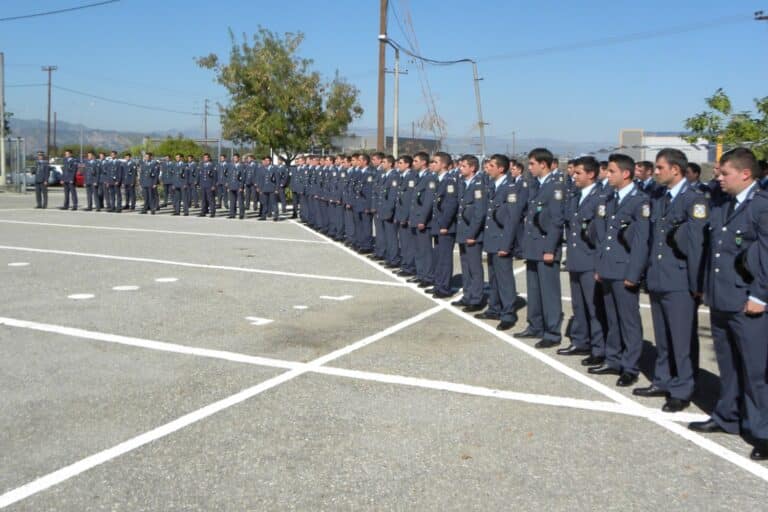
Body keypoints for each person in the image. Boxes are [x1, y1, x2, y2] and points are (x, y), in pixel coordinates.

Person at [689, 148, 768, 461]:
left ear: (745, 174)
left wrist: (760, 296)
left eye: (724, 173)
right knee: (728, 363)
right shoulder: (721, 203)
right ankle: (728, 415)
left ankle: (762, 431)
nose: (717, 178)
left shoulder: (761, 207)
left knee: (756, 369)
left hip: (748, 300)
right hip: (722, 297)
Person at [634, 148, 707, 412]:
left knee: (681, 339)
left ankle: (683, 388)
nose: (656, 172)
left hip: (680, 280)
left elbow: (697, 246)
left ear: (675, 170)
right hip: (658, 276)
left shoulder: (694, 200)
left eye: (660, 168)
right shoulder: (660, 197)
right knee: (663, 337)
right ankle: (663, 379)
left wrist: (697, 284)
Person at [589, 153, 650, 387]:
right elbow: (604, 238)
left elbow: (640, 243)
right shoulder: (610, 198)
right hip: (608, 269)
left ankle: (630, 366)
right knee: (612, 318)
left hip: (625, 271)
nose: (608, 174)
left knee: (629, 321)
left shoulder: (639, 201)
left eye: (612, 171)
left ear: (625, 173)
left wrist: (633, 275)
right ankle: (613, 359)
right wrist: (600, 267)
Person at [516, 148, 565, 348]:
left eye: (532, 164)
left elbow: (555, 221)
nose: (529, 168)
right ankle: (535, 325)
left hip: (545, 247)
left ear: (543, 164)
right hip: (533, 246)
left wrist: (550, 249)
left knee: (549, 292)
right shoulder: (537, 185)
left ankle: (552, 331)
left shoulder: (554, 187)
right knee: (534, 289)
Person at [558, 156, 605, 360]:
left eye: (578, 173)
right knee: (578, 305)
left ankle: (599, 348)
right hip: (577, 258)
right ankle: (580, 340)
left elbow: (600, 235)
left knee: (594, 307)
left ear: (591, 174)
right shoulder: (576, 196)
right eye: (573, 172)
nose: (573, 176)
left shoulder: (600, 198)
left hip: (590, 259)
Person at [478, 154, 526, 330]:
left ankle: (508, 313)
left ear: (501, 168)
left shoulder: (510, 188)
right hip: (492, 239)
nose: (487, 168)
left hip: (501, 241)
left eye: (491, 165)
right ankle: (494, 307)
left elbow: (512, 220)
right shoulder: (494, 186)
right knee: (493, 277)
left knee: (504, 278)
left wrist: (506, 245)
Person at [451, 154, 487, 311]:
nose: (460, 168)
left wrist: (472, 234)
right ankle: (467, 295)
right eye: (460, 165)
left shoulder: (478, 185)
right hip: (463, 231)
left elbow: (479, 213)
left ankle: (476, 299)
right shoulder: (463, 183)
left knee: (474, 267)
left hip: (472, 234)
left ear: (472, 168)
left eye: (464, 166)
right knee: (465, 266)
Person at [427, 152, 459, 298]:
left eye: (435, 162)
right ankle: (438, 284)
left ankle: (444, 288)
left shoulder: (450, 181)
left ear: (444, 165)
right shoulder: (438, 179)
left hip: (445, 227)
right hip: (437, 225)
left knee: (444, 258)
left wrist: (444, 224)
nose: (432, 164)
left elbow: (451, 205)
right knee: (438, 257)